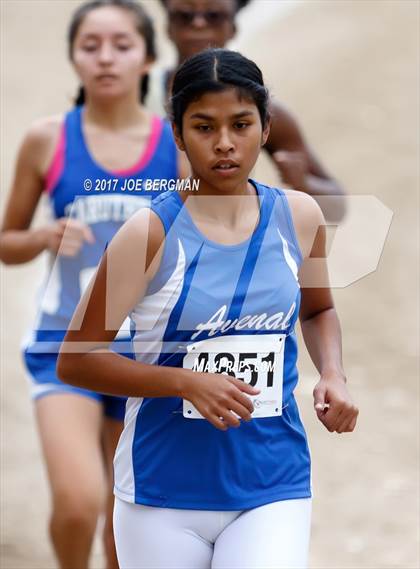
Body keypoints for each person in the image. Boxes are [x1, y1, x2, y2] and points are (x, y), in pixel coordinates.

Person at [57, 48, 359, 569]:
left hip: (273, 483)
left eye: (241, 124)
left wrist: (333, 372)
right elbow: (77, 357)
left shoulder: (298, 215)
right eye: (204, 126)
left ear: (266, 128)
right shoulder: (149, 233)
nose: (224, 143)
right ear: (178, 135)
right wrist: (184, 382)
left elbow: (317, 311)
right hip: (161, 494)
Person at [0, 1, 184, 568]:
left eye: (122, 45)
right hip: (63, 345)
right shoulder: (47, 140)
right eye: (90, 46)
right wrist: (43, 237)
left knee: (122, 530)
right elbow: (7, 241)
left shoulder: (177, 146)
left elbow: (208, 242)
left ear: (149, 58)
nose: (105, 58)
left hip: (146, 357)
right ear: (74, 57)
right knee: (79, 504)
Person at [145, 0, 346, 222]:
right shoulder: (135, 95)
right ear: (167, 27)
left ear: (233, 27)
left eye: (214, 16)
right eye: (184, 16)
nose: (199, 24)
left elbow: (337, 209)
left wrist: (303, 183)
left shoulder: (260, 109)